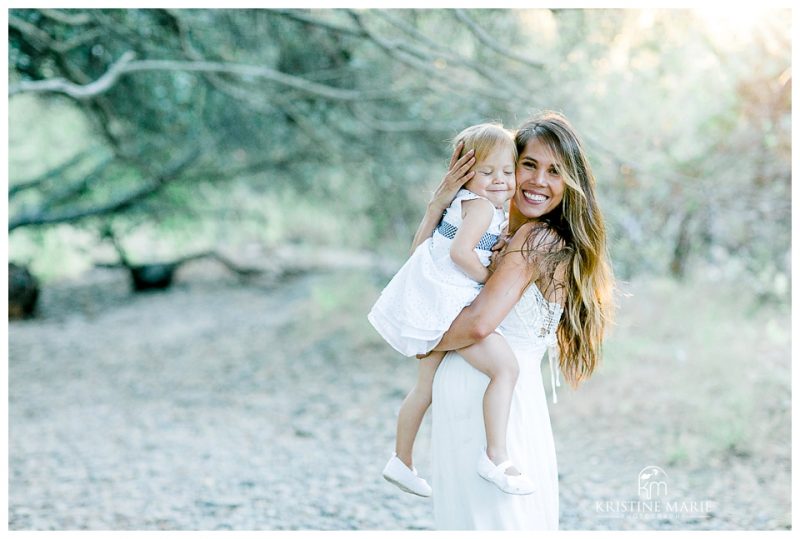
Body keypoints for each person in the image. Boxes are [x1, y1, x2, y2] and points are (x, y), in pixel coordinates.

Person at [415, 111, 615, 529]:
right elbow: (420, 268)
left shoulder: (536, 238)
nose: (539, 180)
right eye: (529, 165)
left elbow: (477, 325)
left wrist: (420, 336)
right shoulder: (501, 233)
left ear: (570, 183)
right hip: (487, 405)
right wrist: (439, 203)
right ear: (510, 165)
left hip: (492, 407)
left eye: (555, 171)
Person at [369, 123, 537, 498]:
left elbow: (437, 248)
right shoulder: (479, 208)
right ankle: (495, 456)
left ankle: (402, 459)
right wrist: (489, 278)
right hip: (450, 303)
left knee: (424, 388)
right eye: (487, 172)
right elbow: (462, 254)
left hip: (432, 300)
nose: (500, 181)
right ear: (464, 171)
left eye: (508, 172)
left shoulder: (467, 203)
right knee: (506, 368)